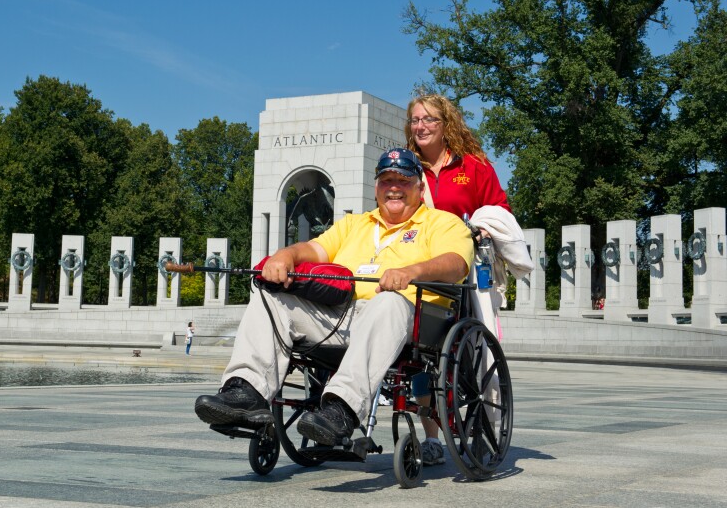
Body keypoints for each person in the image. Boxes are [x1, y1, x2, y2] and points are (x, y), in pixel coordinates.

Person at [194, 148, 474, 447]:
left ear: (420, 187)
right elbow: (315, 250)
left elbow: (457, 262)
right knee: (270, 296)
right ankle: (246, 391)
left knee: (388, 301)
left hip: (408, 318)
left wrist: (412, 270)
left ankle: (341, 408)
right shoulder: (355, 224)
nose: (394, 188)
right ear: (376, 186)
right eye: (386, 180)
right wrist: (285, 255)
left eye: (404, 181)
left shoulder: (443, 223)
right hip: (341, 314)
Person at [404, 93, 532, 465]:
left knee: (474, 357)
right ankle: (431, 437)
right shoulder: (407, 166)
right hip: (422, 269)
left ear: (447, 125)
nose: (421, 126)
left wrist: (483, 228)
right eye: (415, 120)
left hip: (467, 271)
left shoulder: (473, 167)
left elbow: (500, 210)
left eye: (429, 120)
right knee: (418, 357)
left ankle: (480, 426)